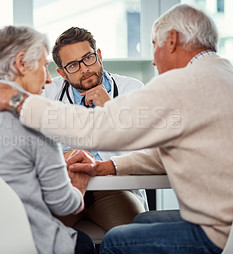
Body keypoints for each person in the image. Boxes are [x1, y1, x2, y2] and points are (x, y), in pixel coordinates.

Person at [0, 3, 233, 253]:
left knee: (118, 242)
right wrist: (107, 166)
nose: (154, 61)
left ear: (171, 41)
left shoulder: (182, 83)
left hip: (223, 232)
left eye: (155, 46)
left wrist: (15, 99)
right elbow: (164, 153)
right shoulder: (230, 77)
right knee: (141, 225)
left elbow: (96, 128)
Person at [0, 26, 96, 254]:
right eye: (45, 67)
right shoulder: (34, 114)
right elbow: (63, 204)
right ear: (21, 63)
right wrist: (79, 184)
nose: (48, 80)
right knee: (85, 243)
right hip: (21, 243)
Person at [43, 26, 147, 232]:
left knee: (134, 236)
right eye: (73, 65)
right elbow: (37, 148)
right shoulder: (48, 94)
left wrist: (111, 109)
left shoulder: (132, 90)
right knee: (36, 235)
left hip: (114, 189)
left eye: (88, 58)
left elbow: (144, 152)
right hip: (65, 189)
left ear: (98, 55)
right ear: (62, 73)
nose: (84, 69)